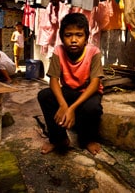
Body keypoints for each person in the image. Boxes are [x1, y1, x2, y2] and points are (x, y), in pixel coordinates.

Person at [37, 13, 104, 155]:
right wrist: (63, 105)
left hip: (88, 92)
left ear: (86, 38)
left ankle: (87, 140)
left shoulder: (94, 52)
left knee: (92, 107)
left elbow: (95, 83)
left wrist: (71, 108)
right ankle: (59, 139)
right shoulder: (58, 51)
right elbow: (53, 80)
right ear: (62, 37)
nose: (73, 40)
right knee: (44, 96)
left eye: (79, 35)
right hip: (69, 89)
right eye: (68, 35)